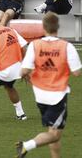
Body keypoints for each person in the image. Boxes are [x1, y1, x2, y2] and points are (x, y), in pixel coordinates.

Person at [16, 12, 81, 158]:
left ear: (43, 28)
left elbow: (23, 71)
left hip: (39, 95)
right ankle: (26, 146)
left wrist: (33, 74)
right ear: (58, 27)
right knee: (55, 135)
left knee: (53, 131)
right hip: (57, 96)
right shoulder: (67, 46)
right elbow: (77, 72)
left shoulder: (35, 45)